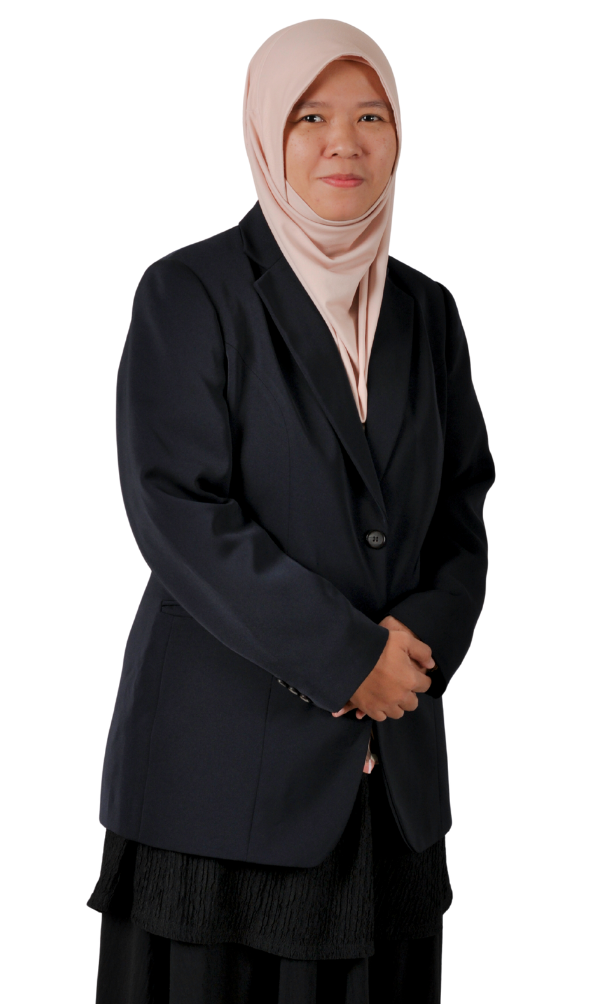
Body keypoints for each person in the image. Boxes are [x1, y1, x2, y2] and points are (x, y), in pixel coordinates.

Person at [88, 18, 495, 1004]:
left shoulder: (428, 312)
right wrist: (346, 657)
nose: (342, 142)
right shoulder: (190, 292)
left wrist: (416, 647)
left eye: (370, 116)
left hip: (390, 791)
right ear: (267, 132)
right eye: (310, 117)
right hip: (220, 784)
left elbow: (461, 505)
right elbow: (178, 510)